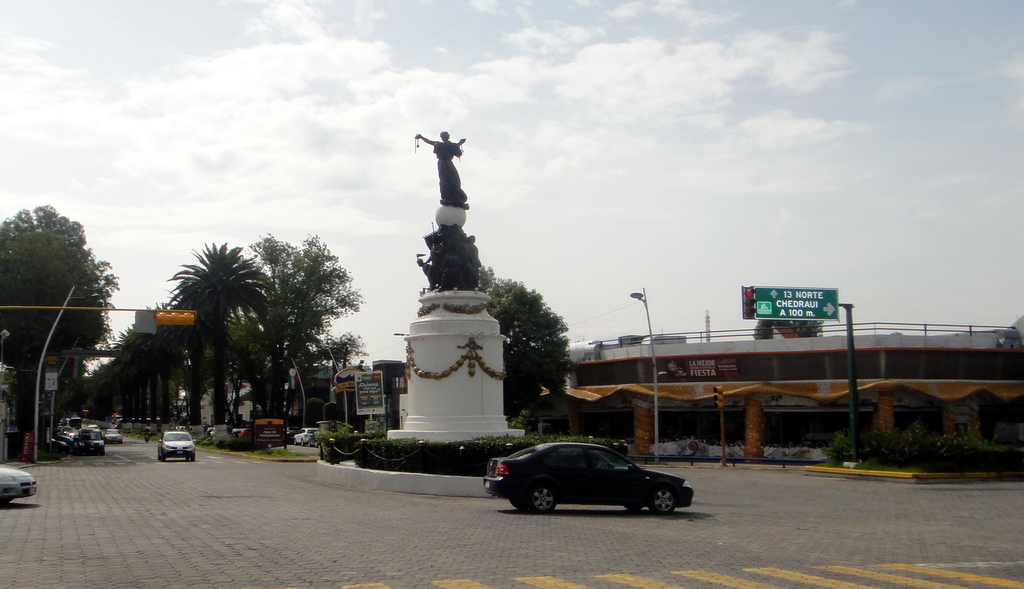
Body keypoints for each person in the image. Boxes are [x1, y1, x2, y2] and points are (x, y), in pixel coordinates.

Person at [415, 132, 469, 209]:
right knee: (448, 180)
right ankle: (448, 197)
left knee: (450, 180)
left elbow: (429, 141)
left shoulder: (440, 145)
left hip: (444, 164)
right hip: (446, 164)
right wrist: (460, 143)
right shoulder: (446, 145)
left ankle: (450, 197)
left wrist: (421, 137)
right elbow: (454, 148)